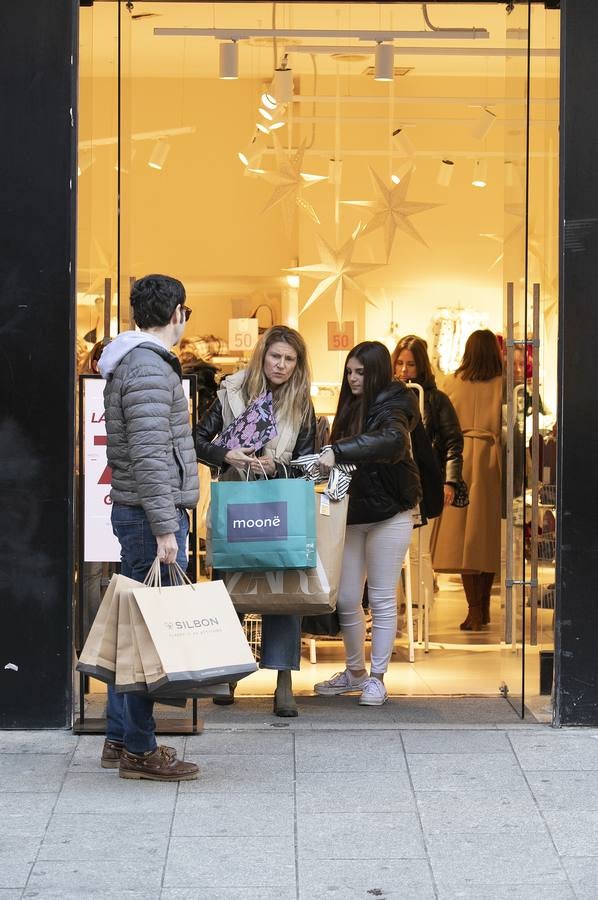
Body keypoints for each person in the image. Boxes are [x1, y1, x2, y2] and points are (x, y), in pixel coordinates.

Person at [97, 273, 200, 781]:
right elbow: (151, 456)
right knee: (146, 635)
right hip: (148, 517)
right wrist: (166, 529)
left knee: (132, 628)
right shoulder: (149, 369)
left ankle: (120, 737)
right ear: (177, 310)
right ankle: (139, 748)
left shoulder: (133, 362)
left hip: (139, 512)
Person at [195, 325, 316, 717]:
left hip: (280, 502)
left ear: (298, 365)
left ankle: (283, 679)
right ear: (262, 356)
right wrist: (226, 455)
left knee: (284, 586)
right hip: (237, 500)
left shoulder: (301, 403)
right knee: (231, 586)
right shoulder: (231, 391)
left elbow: (309, 462)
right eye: (275, 356)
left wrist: (278, 464)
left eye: (289, 359)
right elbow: (195, 439)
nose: (281, 365)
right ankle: (228, 673)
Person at [314, 341, 421, 706]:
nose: (353, 378)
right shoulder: (349, 406)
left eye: (360, 372)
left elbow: (393, 442)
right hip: (352, 513)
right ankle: (355, 671)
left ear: (376, 372)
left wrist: (338, 450)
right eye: (349, 372)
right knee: (345, 597)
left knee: (381, 596)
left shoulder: (397, 402)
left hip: (390, 513)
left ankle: (377, 677)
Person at [430, 329, 503, 631]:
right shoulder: (504, 384)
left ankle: (475, 610)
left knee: (464, 540)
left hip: (458, 460)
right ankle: (481, 608)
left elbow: (441, 426)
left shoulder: (451, 382)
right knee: (484, 539)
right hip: (490, 460)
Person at [392, 334, 464, 612]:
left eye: (410, 364)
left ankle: (418, 609)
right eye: (399, 363)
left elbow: (452, 441)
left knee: (419, 550)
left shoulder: (435, 399)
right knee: (397, 549)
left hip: (426, 481)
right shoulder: (389, 396)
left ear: (421, 366)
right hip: (396, 482)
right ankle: (397, 608)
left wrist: (450, 481)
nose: (403, 370)